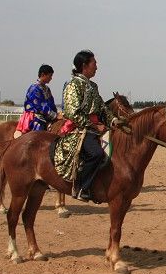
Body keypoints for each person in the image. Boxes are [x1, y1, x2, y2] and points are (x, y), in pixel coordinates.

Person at [54, 50, 119, 202]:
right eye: (94, 63)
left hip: (95, 127)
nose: (97, 67)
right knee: (96, 153)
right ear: (84, 65)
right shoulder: (73, 85)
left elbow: (102, 108)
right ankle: (82, 187)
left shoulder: (92, 86)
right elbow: (71, 112)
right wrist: (95, 127)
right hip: (79, 128)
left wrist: (114, 120)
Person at [14, 64, 60, 138]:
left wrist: (57, 114)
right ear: (43, 74)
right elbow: (40, 106)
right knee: (39, 137)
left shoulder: (47, 89)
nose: (51, 78)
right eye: (50, 75)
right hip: (34, 117)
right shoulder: (34, 88)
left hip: (46, 115)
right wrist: (55, 115)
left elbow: (52, 104)